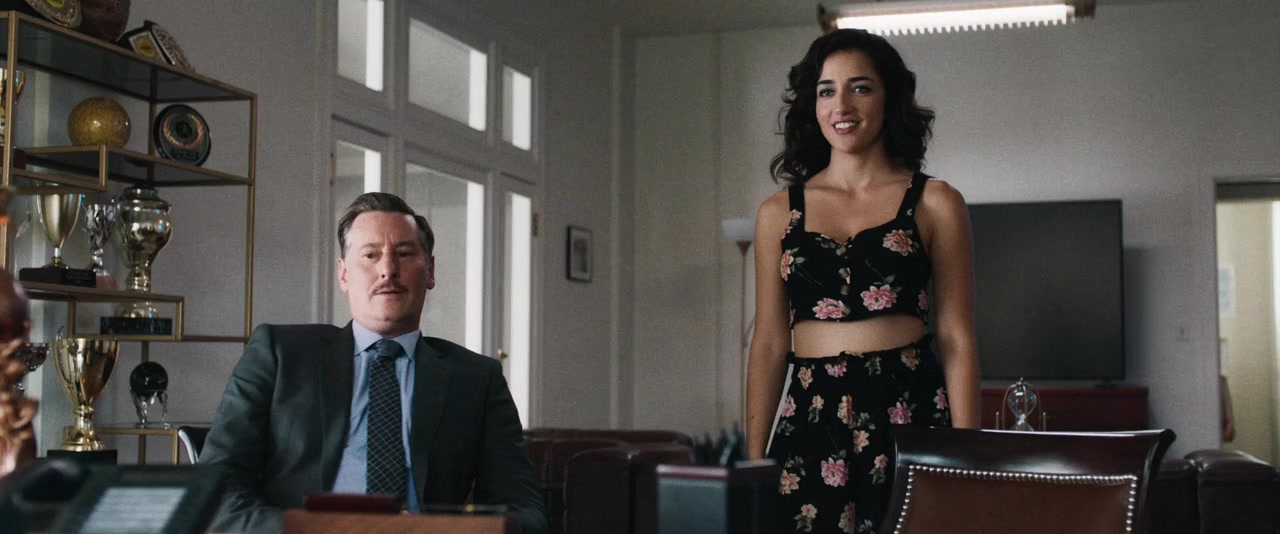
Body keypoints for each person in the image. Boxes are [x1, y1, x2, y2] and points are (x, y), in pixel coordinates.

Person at [745, 29, 979, 533]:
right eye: (826, 90)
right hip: (809, 419)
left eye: (861, 87)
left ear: (889, 96)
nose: (841, 105)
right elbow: (768, 343)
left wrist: (966, 458)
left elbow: (956, 336)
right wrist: (752, 462)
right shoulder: (777, 214)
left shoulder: (937, 202)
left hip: (909, 413)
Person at [202, 193, 547, 534]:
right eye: (370, 255)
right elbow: (213, 493)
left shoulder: (476, 379)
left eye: (404, 254)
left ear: (430, 271)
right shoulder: (279, 355)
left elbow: (525, 509)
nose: (387, 270)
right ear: (343, 274)